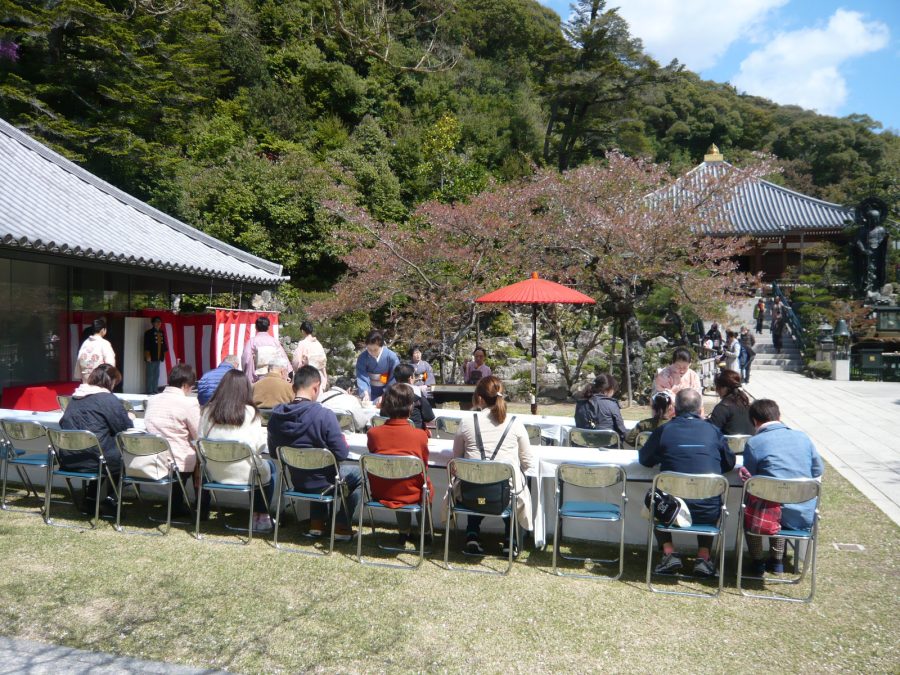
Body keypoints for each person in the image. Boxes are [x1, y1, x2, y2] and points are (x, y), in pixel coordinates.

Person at [639, 388, 736, 578]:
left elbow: (645, 460)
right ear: (700, 409)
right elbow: (729, 463)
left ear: (674, 408)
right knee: (708, 495)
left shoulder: (664, 430)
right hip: (708, 508)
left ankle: (668, 553)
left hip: (671, 508)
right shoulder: (714, 431)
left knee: (654, 497)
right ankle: (704, 557)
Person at [267, 365, 361, 540]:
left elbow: (274, 453)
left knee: (316, 469)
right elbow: (341, 453)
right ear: (316, 387)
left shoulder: (276, 416)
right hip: (326, 483)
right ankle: (341, 526)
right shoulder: (324, 415)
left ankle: (317, 524)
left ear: (293, 387)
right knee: (358, 475)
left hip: (297, 480)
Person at [451, 376, 534, 556]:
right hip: (503, 493)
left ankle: (472, 533)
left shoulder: (467, 422)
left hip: (470, 492)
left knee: (478, 478)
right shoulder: (515, 423)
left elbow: (456, 460)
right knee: (512, 486)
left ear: (479, 398)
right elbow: (528, 463)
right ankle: (510, 538)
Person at [742, 399, 824, 575]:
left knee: (759, 507)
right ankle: (777, 561)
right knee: (778, 504)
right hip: (802, 514)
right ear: (779, 416)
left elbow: (752, 478)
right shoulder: (803, 437)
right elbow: (818, 469)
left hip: (766, 517)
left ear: (755, 421)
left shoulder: (754, 443)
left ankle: (757, 562)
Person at [198, 369, 275, 533]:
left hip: (213, 473)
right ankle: (261, 516)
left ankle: (259, 515)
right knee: (269, 469)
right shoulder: (251, 413)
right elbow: (258, 446)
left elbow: (200, 441)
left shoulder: (207, 411)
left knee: (260, 469)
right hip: (245, 474)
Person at [59, 364, 133, 515]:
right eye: (115, 382)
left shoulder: (75, 397)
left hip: (69, 457)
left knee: (99, 450)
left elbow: (63, 422)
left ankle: (91, 500)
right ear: (110, 381)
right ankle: (111, 500)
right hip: (96, 460)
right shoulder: (108, 399)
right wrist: (129, 416)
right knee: (127, 459)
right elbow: (124, 427)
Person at [366, 383, 434, 546]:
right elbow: (423, 467)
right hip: (411, 492)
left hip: (382, 490)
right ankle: (425, 532)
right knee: (422, 485)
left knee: (396, 475)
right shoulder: (419, 436)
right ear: (411, 407)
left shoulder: (373, 434)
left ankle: (404, 531)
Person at [142, 364, 201, 517]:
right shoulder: (189, 403)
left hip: (152, 457)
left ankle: (177, 504)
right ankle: (200, 508)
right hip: (177, 461)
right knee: (199, 457)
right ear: (185, 385)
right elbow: (199, 435)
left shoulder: (152, 399)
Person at [573, 373, 627, 443]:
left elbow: (579, 424)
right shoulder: (612, 404)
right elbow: (621, 431)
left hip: (584, 445)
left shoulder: (580, 403)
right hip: (608, 446)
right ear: (609, 389)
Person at [382, 363, 435, 431]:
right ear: (410, 378)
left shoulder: (389, 392)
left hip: (392, 430)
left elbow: (383, 414)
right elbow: (429, 416)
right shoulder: (417, 392)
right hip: (414, 430)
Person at [241, 316, 290, 385]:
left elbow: (246, 359)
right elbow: (283, 359)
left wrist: (247, 371)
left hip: (257, 377)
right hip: (274, 376)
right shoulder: (274, 342)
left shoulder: (252, 342)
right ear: (268, 327)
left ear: (256, 327)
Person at [355, 330, 400, 403]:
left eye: (375, 350)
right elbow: (361, 376)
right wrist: (365, 393)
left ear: (381, 346)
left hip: (387, 391)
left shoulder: (391, 356)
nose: (372, 352)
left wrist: (386, 394)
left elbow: (394, 377)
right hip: (369, 391)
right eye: (369, 349)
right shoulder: (362, 357)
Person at [707, 370, 754, 436]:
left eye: (717, 387)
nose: (717, 390)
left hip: (729, 444)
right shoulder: (746, 402)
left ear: (724, 388)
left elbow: (711, 432)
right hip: (748, 442)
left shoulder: (722, 408)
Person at [76, 318, 116, 384]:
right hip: (99, 380)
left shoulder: (85, 343)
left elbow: (79, 358)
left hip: (86, 379)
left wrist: (80, 374)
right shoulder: (104, 343)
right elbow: (110, 363)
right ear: (103, 330)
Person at [292, 320, 328, 391]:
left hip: (306, 376)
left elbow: (296, 362)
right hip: (318, 375)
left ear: (302, 331)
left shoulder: (302, 344)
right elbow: (323, 362)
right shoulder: (318, 344)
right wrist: (325, 376)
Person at [143, 316, 168, 395]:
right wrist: (147, 355)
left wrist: (163, 354)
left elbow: (163, 344)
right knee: (150, 374)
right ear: (153, 323)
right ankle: (149, 390)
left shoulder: (161, 332)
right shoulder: (148, 333)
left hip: (158, 356)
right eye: (157, 322)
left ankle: (155, 389)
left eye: (159, 322)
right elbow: (146, 345)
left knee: (156, 374)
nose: (158, 323)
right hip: (151, 356)